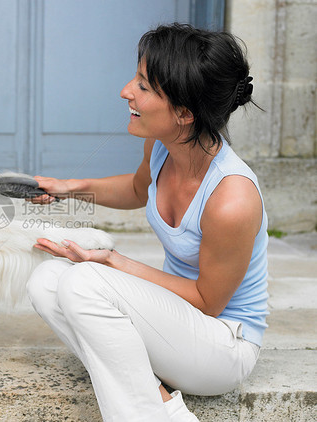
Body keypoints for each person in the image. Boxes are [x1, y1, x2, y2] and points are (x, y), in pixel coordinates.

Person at [26, 23, 268, 422]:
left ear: (184, 114)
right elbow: (139, 190)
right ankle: (158, 403)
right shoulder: (160, 146)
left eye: (143, 85)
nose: (126, 91)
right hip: (177, 325)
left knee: (85, 281)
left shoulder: (232, 199)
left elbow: (209, 303)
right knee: (46, 279)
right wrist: (70, 187)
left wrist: (112, 261)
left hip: (223, 345)